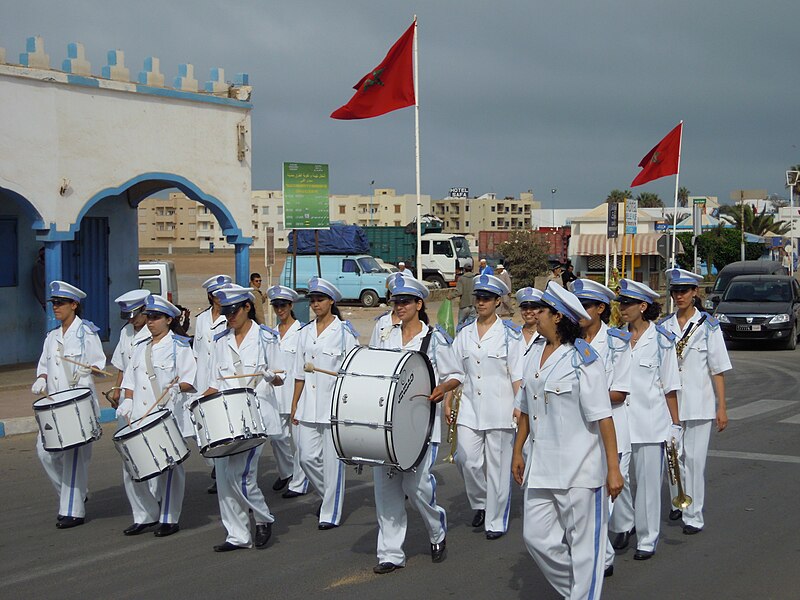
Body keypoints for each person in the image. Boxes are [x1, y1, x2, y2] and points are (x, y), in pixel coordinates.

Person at [511, 282, 623, 600]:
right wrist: (518, 451)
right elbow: (527, 409)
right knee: (536, 538)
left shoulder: (583, 359)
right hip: (541, 465)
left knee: (585, 548)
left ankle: (582, 594)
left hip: (581, 468)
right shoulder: (533, 352)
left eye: (542, 311)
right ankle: (577, 590)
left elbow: (604, 417)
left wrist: (613, 469)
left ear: (557, 316)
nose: (535, 315)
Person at [371, 274, 463, 574]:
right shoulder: (383, 334)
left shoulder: (434, 339)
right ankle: (390, 553)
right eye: (396, 301)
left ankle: (436, 529)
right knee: (386, 491)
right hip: (385, 426)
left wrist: (442, 390)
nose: (399, 307)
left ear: (418, 304)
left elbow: (456, 374)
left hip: (421, 426)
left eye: (405, 301)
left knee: (417, 487)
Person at [201, 284, 283, 551]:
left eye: (234, 311)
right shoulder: (220, 341)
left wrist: (272, 376)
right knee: (225, 479)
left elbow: (280, 377)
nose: (229, 317)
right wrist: (201, 407)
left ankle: (263, 518)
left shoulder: (267, 338)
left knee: (243, 475)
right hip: (227, 419)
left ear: (247, 307)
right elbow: (214, 382)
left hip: (255, 417)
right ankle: (237, 535)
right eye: (225, 312)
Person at [609, 279, 682, 561]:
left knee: (650, 484)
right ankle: (625, 523)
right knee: (620, 480)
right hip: (619, 421)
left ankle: (648, 537)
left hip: (650, 423)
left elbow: (670, 386)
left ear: (643, 306)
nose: (623, 309)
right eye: (621, 303)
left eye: (627, 304)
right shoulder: (615, 339)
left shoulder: (662, 341)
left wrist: (675, 426)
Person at [448, 274, 523, 539]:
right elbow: (454, 371)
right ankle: (481, 501)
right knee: (465, 459)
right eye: (478, 298)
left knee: (499, 466)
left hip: (501, 409)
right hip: (470, 407)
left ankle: (496, 519)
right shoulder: (465, 333)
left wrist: (519, 406)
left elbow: (517, 375)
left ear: (498, 302)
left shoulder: (510, 336)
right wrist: (447, 397)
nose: (480, 303)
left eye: (487, 298)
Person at [118, 295, 196, 537]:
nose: (150, 322)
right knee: (132, 466)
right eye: (149, 317)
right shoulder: (140, 348)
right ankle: (145, 514)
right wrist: (127, 399)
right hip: (140, 415)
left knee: (170, 468)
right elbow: (130, 379)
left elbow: (190, 380)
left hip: (165, 414)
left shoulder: (179, 346)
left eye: (155, 318)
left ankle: (169, 518)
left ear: (168, 319)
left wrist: (176, 388)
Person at [570, 278, 633, 578]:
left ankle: (599, 560)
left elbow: (619, 392)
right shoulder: (568, 343)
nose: (579, 311)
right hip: (579, 435)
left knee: (603, 505)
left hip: (613, 433)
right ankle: (603, 556)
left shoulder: (617, 343)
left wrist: (579, 394)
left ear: (600, 308)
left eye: (585, 306)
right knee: (585, 506)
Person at [661, 268, 731, 535]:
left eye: (683, 291)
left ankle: (694, 515)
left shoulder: (708, 327)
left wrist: (721, 407)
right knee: (673, 457)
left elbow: (718, 369)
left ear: (694, 293)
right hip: (671, 404)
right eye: (675, 291)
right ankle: (679, 498)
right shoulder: (665, 327)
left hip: (699, 403)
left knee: (695, 461)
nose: (678, 296)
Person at [31, 281, 106, 529]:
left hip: (78, 404)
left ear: (74, 305)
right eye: (54, 303)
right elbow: (44, 366)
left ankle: (73, 510)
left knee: (74, 458)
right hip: (55, 405)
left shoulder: (87, 333)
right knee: (45, 453)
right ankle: (75, 492)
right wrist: (41, 379)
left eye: (61, 303)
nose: (56, 308)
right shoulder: (51, 337)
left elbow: (99, 365)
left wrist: (93, 369)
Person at [291, 277, 359, 529]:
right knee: (307, 458)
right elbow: (299, 373)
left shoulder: (344, 333)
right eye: (312, 299)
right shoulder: (304, 332)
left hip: (333, 406)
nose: (315, 304)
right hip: (308, 404)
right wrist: (294, 404)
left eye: (320, 299)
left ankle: (330, 513)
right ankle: (327, 495)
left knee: (333, 464)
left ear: (331, 301)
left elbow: (352, 373)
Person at [265, 284, 309, 499]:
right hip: (275, 394)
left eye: (283, 305)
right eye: (276, 306)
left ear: (291, 306)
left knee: (297, 441)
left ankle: (299, 482)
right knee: (276, 437)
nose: (279, 310)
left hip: (294, 393)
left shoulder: (301, 332)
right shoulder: (271, 334)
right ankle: (287, 471)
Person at [193, 274, 232, 494]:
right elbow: (197, 354)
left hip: (222, 384)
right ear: (210, 296)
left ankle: (223, 475)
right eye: (218, 293)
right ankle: (218, 468)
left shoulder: (231, 318)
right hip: (202, 384)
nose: (221, 297)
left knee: (223, 432)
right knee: (203, 434)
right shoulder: (202, 320)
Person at [109, 290, 153, 412]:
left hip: (147, 394)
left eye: (134, 316)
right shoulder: (126, 331)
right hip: (126, 396)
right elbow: (122, 367)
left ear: (144, 310)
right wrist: (117, 389)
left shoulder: (153, 333)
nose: (131, 321)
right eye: (127, 317)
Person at [515, 287, 544, 351]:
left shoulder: (547, 336)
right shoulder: (512, 334)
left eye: (533, 308)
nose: (528, 311)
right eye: (525, 308)